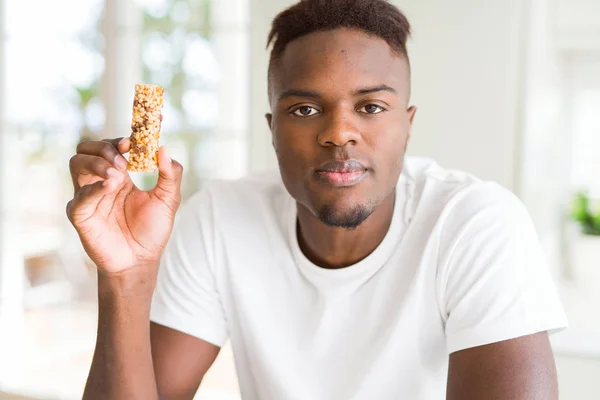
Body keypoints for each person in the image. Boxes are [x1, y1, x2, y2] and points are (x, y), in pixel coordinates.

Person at [67, 0, 567, 399]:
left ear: (407, 127)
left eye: (371, 106)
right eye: (305, 109)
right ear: (273, 130)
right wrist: (125, 276)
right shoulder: (219, 218)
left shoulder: (474, 224)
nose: (339, 133)